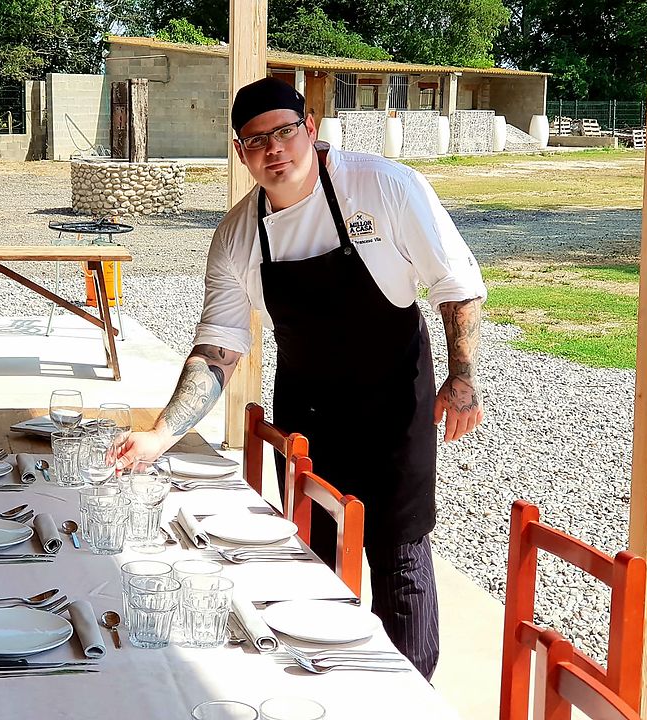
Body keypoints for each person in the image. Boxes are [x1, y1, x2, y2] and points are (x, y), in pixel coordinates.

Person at [117, 77, 486, 679]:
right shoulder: (238, 235)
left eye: (285, 131)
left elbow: (457, 284)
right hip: (308, 414)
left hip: (396, 405)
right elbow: (218, 350)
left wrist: (462, 378)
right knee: (305, 563)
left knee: (400, 556)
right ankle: (322, 686)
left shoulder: (383, 187)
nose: (275, 149)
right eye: (256, 140)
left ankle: (409, 696)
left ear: (310, 130)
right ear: (242, 152)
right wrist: (160, 434)